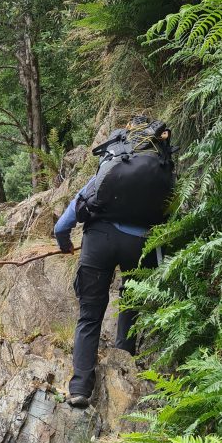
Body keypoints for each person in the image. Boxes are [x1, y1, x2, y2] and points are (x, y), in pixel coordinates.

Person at [54, 116, 172, 408]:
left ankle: (81, 386)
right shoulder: (162, 168)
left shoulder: (112, 164)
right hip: (142, 245)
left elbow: (63, 224)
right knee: (131, 301)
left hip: (100, 242)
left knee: (90, 315)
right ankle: (124, 360)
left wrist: (65, 244)